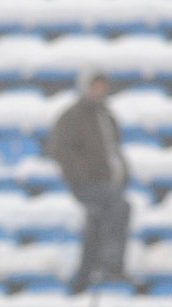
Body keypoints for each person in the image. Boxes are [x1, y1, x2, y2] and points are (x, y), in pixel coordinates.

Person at [48, 70, 131, 293]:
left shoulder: (106, 116)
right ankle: (111, 261)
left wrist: (123, 172)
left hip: (108, 182)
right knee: (119, 206)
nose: (99, 91)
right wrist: (83, 173)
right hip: (86, 183)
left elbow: (114, 149)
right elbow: (60, 149)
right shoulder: (72, 116)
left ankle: (84, 279)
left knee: (97, 221)